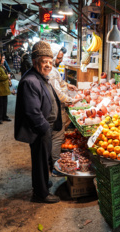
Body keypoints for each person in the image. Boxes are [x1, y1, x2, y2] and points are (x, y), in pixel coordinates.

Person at [14, 41, 62, 204]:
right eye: (44, 61)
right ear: (35, 62)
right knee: (40, 161)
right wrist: (44, 129)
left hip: (44, 129)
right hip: (40, 130)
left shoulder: (40, 76)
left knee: (43, 159)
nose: (48, 64)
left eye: (50, 61)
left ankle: (43, 183)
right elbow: (32, 111)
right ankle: (40, 194)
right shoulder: (30, 81)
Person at [48, 43, 79, 174]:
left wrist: (67, 85)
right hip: (55, 109)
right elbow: (58, 93)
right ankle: (56, 167)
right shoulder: (51, 71)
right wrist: (72, 100)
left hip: (52, 107)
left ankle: (51, 162)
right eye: (59, 58)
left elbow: (59, 84)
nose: (60, 61)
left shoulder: (52, 69)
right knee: (57, 137)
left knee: (54, 136)